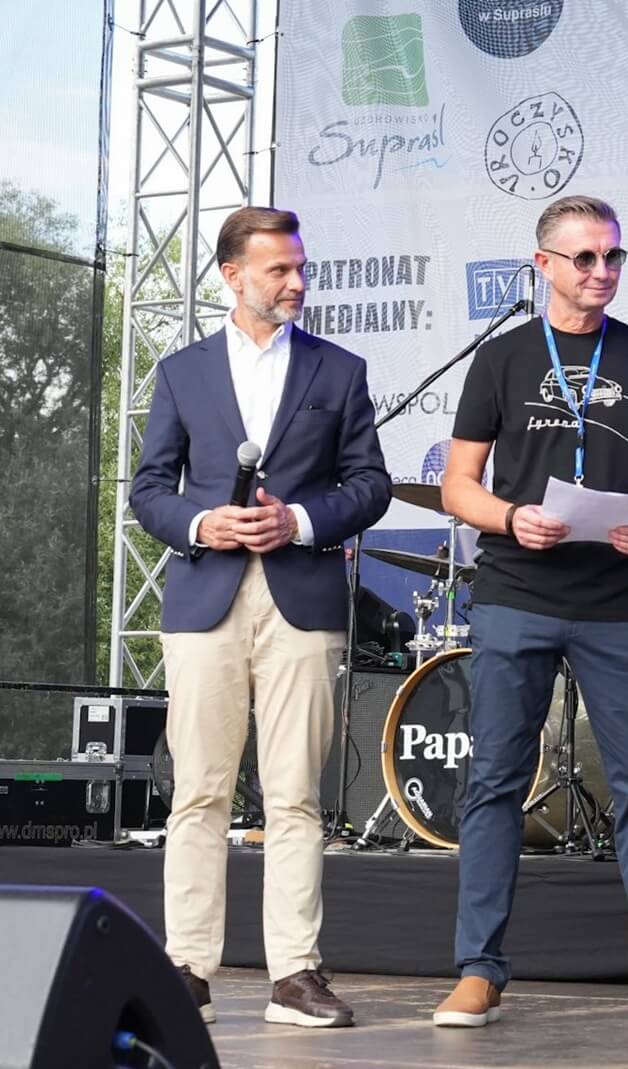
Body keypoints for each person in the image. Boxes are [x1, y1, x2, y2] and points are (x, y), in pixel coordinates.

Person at [434, 195, 628, 1030]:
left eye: (613, 256)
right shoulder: (502, 357)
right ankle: (478, 968)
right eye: (584, 257)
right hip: (517, 592)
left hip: (618, 601)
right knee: (494, 782)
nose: (602, 271)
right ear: (543, 264)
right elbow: (457, 485)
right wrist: (511, 516)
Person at [131, 206, 392, 1028]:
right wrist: (202, 523)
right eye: (279, 269)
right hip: (204, 600)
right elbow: (148, 490)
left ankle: (295, 974)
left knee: (295, 796)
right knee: (199, 793)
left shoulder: (338, 370)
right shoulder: (182, 372)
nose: (296, 282)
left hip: (301, 599)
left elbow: (371, 485)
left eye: (300, 267)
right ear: (232, 274)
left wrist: (301, 519)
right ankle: (186, 969)